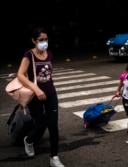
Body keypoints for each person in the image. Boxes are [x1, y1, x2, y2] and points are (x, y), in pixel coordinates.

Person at [17, 27, 64, 167]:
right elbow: (20, 74)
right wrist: (36, 89)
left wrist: (45, 87)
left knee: (53, 125)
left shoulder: (49, 54)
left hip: (50, 93)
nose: (44, 42)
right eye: (41, 40)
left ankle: (54, 157)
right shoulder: (29, 54)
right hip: (34, 95)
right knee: (39, 126)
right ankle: (29, 140)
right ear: (34, 41)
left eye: (46, 39)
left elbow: (48, 74)